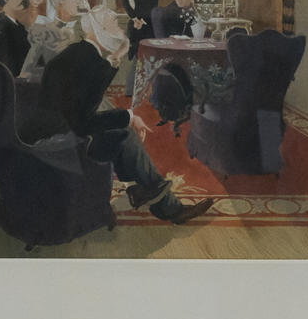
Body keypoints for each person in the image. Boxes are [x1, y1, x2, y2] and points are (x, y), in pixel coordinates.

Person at [40, 38, 214, 225]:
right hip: (69, 144)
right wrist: (129, 118)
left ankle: (146, 192)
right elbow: (84, 121)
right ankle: (164, 204)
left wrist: (126, 118)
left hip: (68, 134)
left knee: (120, 129)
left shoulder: (64, 68)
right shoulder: (70, 75)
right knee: (125, 136)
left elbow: (88, 111)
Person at [122, 0, 166, 94]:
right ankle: (131, 91)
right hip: (141, 26)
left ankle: (143, 90)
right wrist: (134, 17)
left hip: (150, 24)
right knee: (140, 57)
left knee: (147, 58)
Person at [0, 0, 31, 76]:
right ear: (5, 1)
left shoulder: (14, 22)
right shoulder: (4, 26)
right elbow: (8, 61)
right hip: (20, 74)